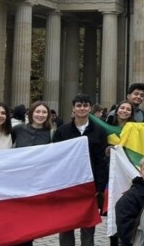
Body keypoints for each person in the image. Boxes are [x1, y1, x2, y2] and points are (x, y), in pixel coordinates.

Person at [53, 94, 107, 246]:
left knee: (88, 228)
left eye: (85, 105)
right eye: (79, 105)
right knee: (65, 227)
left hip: (90, 185)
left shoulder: (99, 131)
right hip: (67, 185)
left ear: (90, 108)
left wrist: (99, 187)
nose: (82, 108)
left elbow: (101, 161)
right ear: (73, 108)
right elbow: (56, 159)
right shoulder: (62, 131)